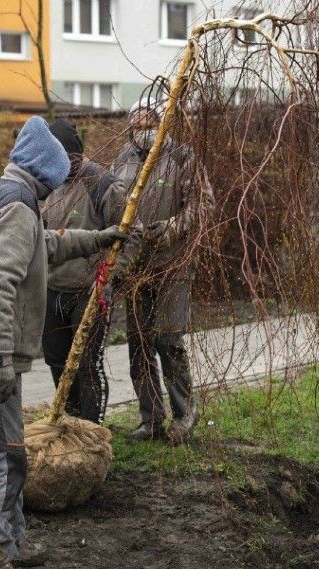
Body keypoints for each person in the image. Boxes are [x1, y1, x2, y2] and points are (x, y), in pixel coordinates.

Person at [0, 116, 127, 569]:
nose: (58, 188)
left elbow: (42, 244)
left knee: (9, 458)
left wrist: (98, 239)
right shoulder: (18, 207)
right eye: (57, 178)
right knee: (2, 461)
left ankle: (8, 548)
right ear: (45, 171)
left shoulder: (0, 194)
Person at [112, 97, 215, 444]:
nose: (142, 131)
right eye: (136, 125)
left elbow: (202, 205)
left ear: (161, 123)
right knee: (138, 342)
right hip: (137, 265)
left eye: (148, 124)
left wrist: (171, 227)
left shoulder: (182, 157)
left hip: (173, 262)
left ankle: (185, 412)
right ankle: (151, 418)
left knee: (167, 338)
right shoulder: (123, 160)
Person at [42, 119, 141, 425]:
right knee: (56, 360)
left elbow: (133, 235)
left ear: (75, 154)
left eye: (63, 156)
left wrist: (108, 278)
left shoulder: (103, 184)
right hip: (52, 289)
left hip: (89, 290)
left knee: (86, 365)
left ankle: (92, 429)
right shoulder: (46, 182)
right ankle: (70, 422)